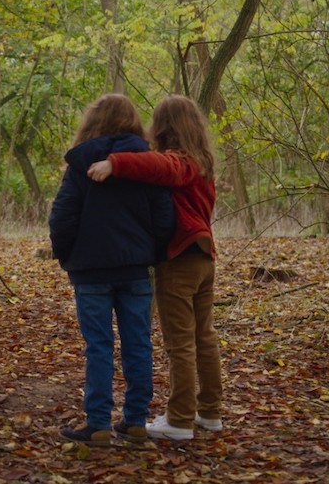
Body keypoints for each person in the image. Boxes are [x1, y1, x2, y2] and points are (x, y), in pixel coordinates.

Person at [87, 94, 222, 441]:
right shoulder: (202, 161)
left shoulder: (180, 161)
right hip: (204, 257)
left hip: (181, 260)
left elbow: (161, 167)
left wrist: (115, 163)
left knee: (181, 343)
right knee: (203, 338)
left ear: (163, 127)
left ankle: (179, 420)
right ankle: (209, 413)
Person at [49, 94, 174, 446]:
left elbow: (62, 217)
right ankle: (135, 420)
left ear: (93, 122)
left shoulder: (80, 165)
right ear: (133, 123)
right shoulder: (147, 164)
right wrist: (153, 253)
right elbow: (164, 216)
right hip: (135, 269)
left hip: (91, 271)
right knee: (138, 343)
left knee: (99, 346)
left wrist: (67, 256)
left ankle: (99, 423)